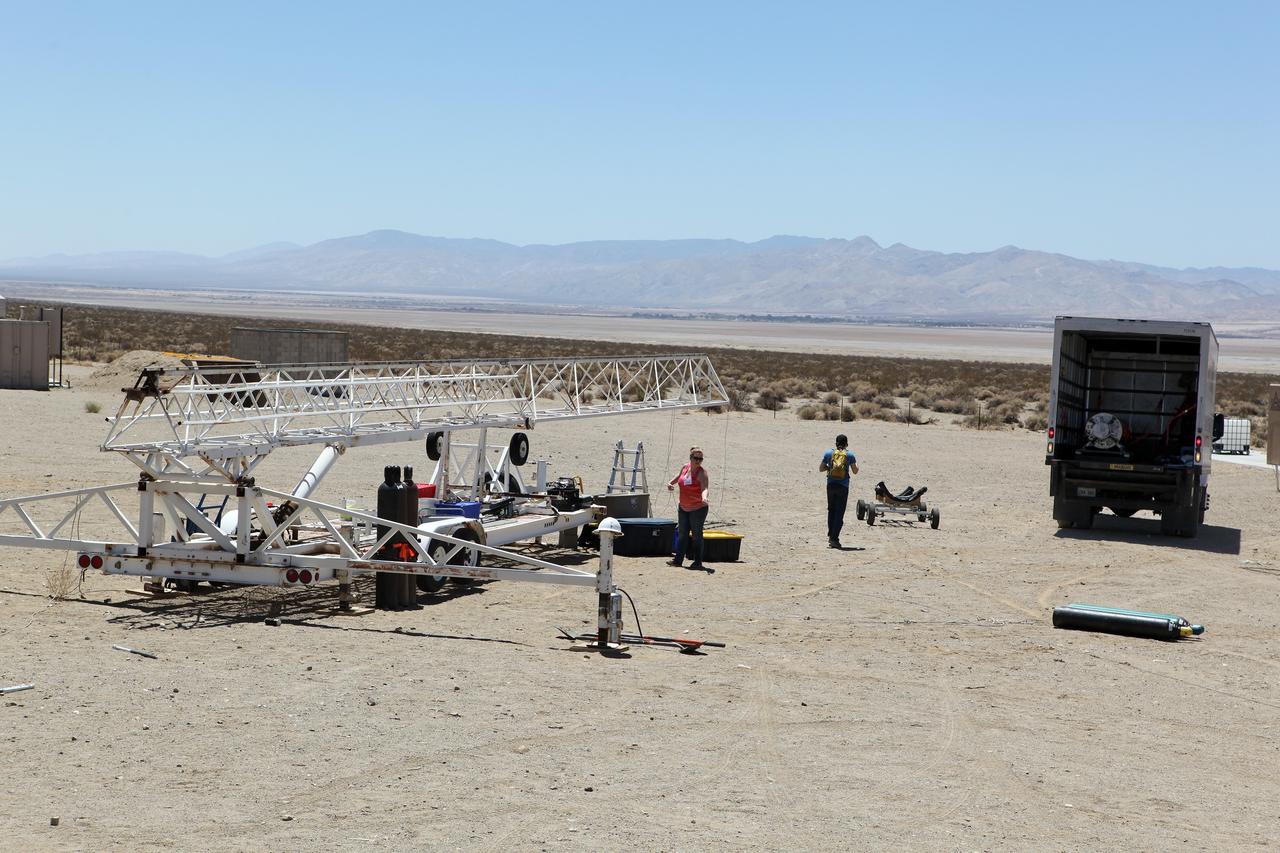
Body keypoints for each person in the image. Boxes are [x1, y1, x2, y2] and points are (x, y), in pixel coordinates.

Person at [667, 446, 710, 571]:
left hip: (698, 509)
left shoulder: (702, 472)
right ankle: (678, 560)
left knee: (697, 535)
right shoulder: (685, 467)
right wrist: (670, 483)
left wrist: (704, 498)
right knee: (682, 534)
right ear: (690, 458)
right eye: (696, 458)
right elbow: (679, 476)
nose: (698, 461)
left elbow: (705, 488)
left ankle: (698, 562)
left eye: (700, 459)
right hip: (683, 507)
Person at [819, 433, 858, 548]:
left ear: (836, 443)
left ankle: (831, 535)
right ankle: (834, 538)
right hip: (843, 486)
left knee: (831, 510)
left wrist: (830, 468)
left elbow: (821, 468)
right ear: (846, 444)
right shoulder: (850, 455)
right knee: (839, 513)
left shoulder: (828, 453)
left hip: (830, 485)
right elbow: (855, 471)